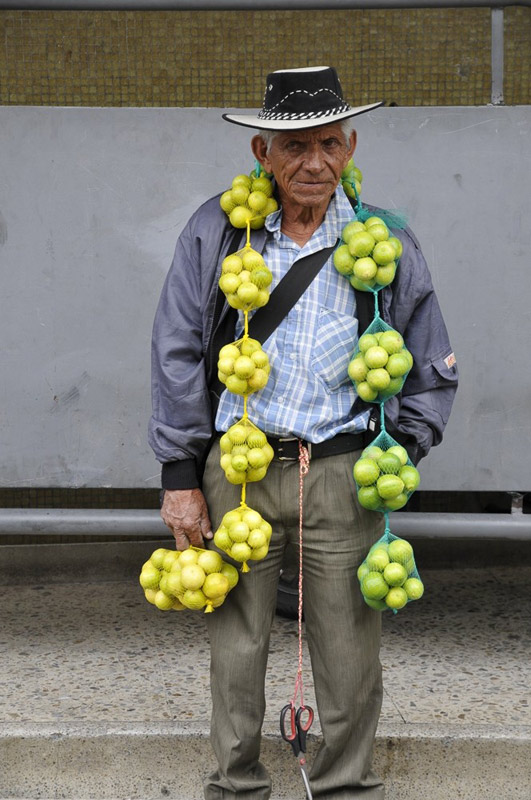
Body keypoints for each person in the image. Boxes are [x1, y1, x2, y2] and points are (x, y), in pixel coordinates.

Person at [149, 66, 458, 800]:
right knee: (236, 642)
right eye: (292, 148)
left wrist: (402, 448)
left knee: (348, 648)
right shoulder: (218, 230)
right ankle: (234, 784)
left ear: (348, 146)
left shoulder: (384, 241)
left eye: (326, 144)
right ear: (262, 154)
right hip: (238, 469)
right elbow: (177, 350)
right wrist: (179, 477)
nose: (311, 163)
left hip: (344, 468)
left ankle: (345, 786)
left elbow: (428, 353)